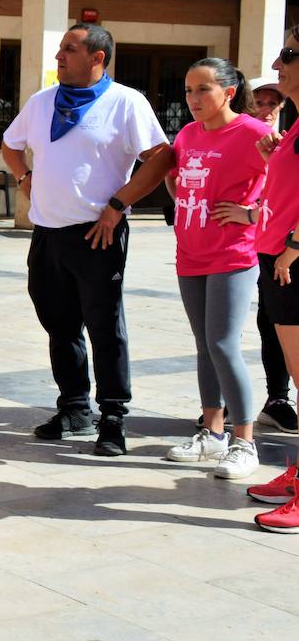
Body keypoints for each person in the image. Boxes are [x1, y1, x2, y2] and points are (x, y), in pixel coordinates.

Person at [1, 23, 169, 456]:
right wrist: (24, 177)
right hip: (47, 233)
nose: (59, 56)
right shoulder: (42, 102)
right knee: (59, 326)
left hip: (98, 234)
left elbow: (160, 157)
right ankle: (75, 407)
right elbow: (10, 144)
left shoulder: (125, 102)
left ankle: (113, 417)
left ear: (98, 58)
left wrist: (119, 204)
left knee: (105, 328)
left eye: (70, 49)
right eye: (60, 48)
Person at [119, 59, 270, 478]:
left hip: (232, 255)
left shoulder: (254, 133)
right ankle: (213, 433)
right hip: (191, 254)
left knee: (223, 344)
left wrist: (251, 214)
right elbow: (176, 177)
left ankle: (245, 442)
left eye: (203, 89)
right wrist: (185, 202)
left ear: (229, 92)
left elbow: (286, 187)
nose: (193, 98)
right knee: (205, 345)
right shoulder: (187, 134)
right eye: (188, 90)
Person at [244, 27, 299, 533]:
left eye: (287, 55)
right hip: (277, 254)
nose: (277, 65)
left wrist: (295, 245)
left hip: (291, 260)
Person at [246, 78, 297, 433]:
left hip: (283, 253)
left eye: (272, 103)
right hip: (262, 250)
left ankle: (278, 399)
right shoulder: (274, 140)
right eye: (259, 102)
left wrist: (293, 248)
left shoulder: (286, 138)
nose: (266, 109)